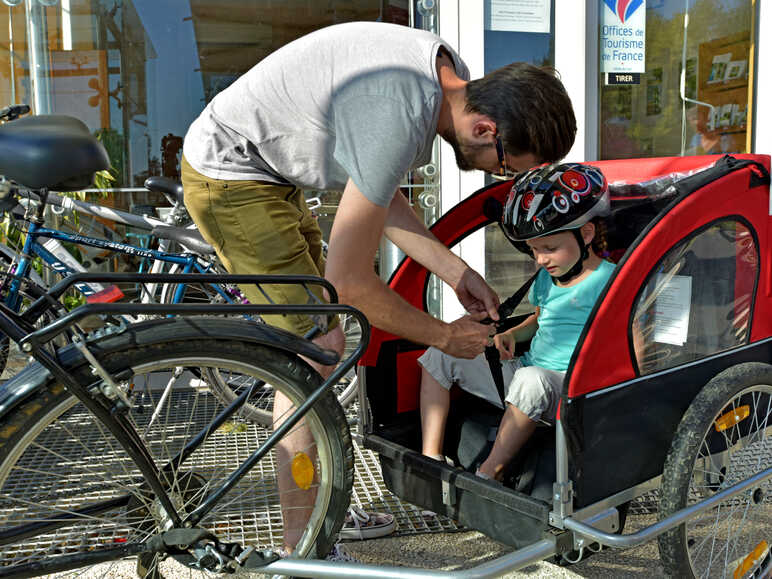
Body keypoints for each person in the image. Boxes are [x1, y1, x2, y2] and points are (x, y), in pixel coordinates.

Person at [181, 21, 576, 554]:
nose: (495, 177)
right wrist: (443, 335)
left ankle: (317, 512)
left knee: (320, 341)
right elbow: (349, 282)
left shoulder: (444, 76)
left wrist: (456, 273)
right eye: (504, 168)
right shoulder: (399, 113)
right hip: (232, 172)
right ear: (485, 128)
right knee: (316, 350)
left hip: (269, 172)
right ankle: (306, 550)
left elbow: (379, 189)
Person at [419, 163, 613, 481]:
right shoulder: (548, 277)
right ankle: (431, 458)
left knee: (532, 381)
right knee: (443, 352)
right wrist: (512, 333)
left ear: (587, 234)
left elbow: (631, 341)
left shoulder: (612, 281)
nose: (540, 259)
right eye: (534, 250)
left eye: (549, 248)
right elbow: (541, 317)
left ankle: (487, 473)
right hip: (527, 375)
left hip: (571, 391)